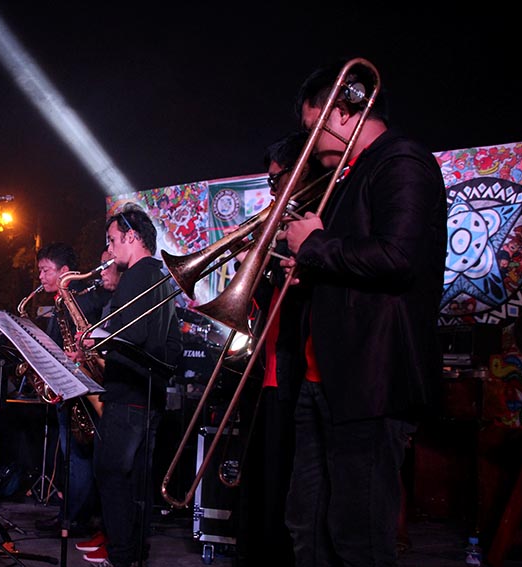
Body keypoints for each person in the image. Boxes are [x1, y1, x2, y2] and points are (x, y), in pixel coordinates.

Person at [276, 58, 446, 566]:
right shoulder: (350, 176)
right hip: (323, 380)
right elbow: (356, 264)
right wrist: (311, 270)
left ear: (346, 111)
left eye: (312, 129)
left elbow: (398, 258)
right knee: (308, 530)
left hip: (368, 384)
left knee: (360, 538)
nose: (308, 143)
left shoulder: (402, 161)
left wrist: (317, 245)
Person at [232, 130, 327, 567]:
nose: (272, 189)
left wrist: (266, 259)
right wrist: (248, 264)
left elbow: (305, 292)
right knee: (259, 486)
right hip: (264, 371)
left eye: (277, 179)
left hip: (294, 373)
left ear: (301, 171)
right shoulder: (280, 219)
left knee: (286, 491)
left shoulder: (314, 219)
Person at [83, 203, 182, 567]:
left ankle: (122, 558)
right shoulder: (161, 277)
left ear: (131, 237)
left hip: (126, 397)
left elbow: (132, 333)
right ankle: (135, 555)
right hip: (149, 397)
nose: (108, 250)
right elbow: (173, 345)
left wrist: (96, 340)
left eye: (111, 241)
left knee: (111, 476)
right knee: (138, 484)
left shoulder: (136, 276)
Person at [34, 242, 107, 536]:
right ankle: (70, 514)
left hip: (82, 389)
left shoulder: (81, 302)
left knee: (78, 458)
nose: (40, 276)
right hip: (68, 388)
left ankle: (75, 519)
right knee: (71, 458)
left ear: (65, 273)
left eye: (45, 270)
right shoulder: (61, 303)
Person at [74, 249, 123, 561]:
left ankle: (117, 539)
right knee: (104, 473)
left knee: (115, 475)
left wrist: (93, 355)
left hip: (118, 397)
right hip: (107, 394)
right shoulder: (108, 303)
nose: (101, 271)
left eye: (107, 265)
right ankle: (107, 531)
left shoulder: (125, 303)